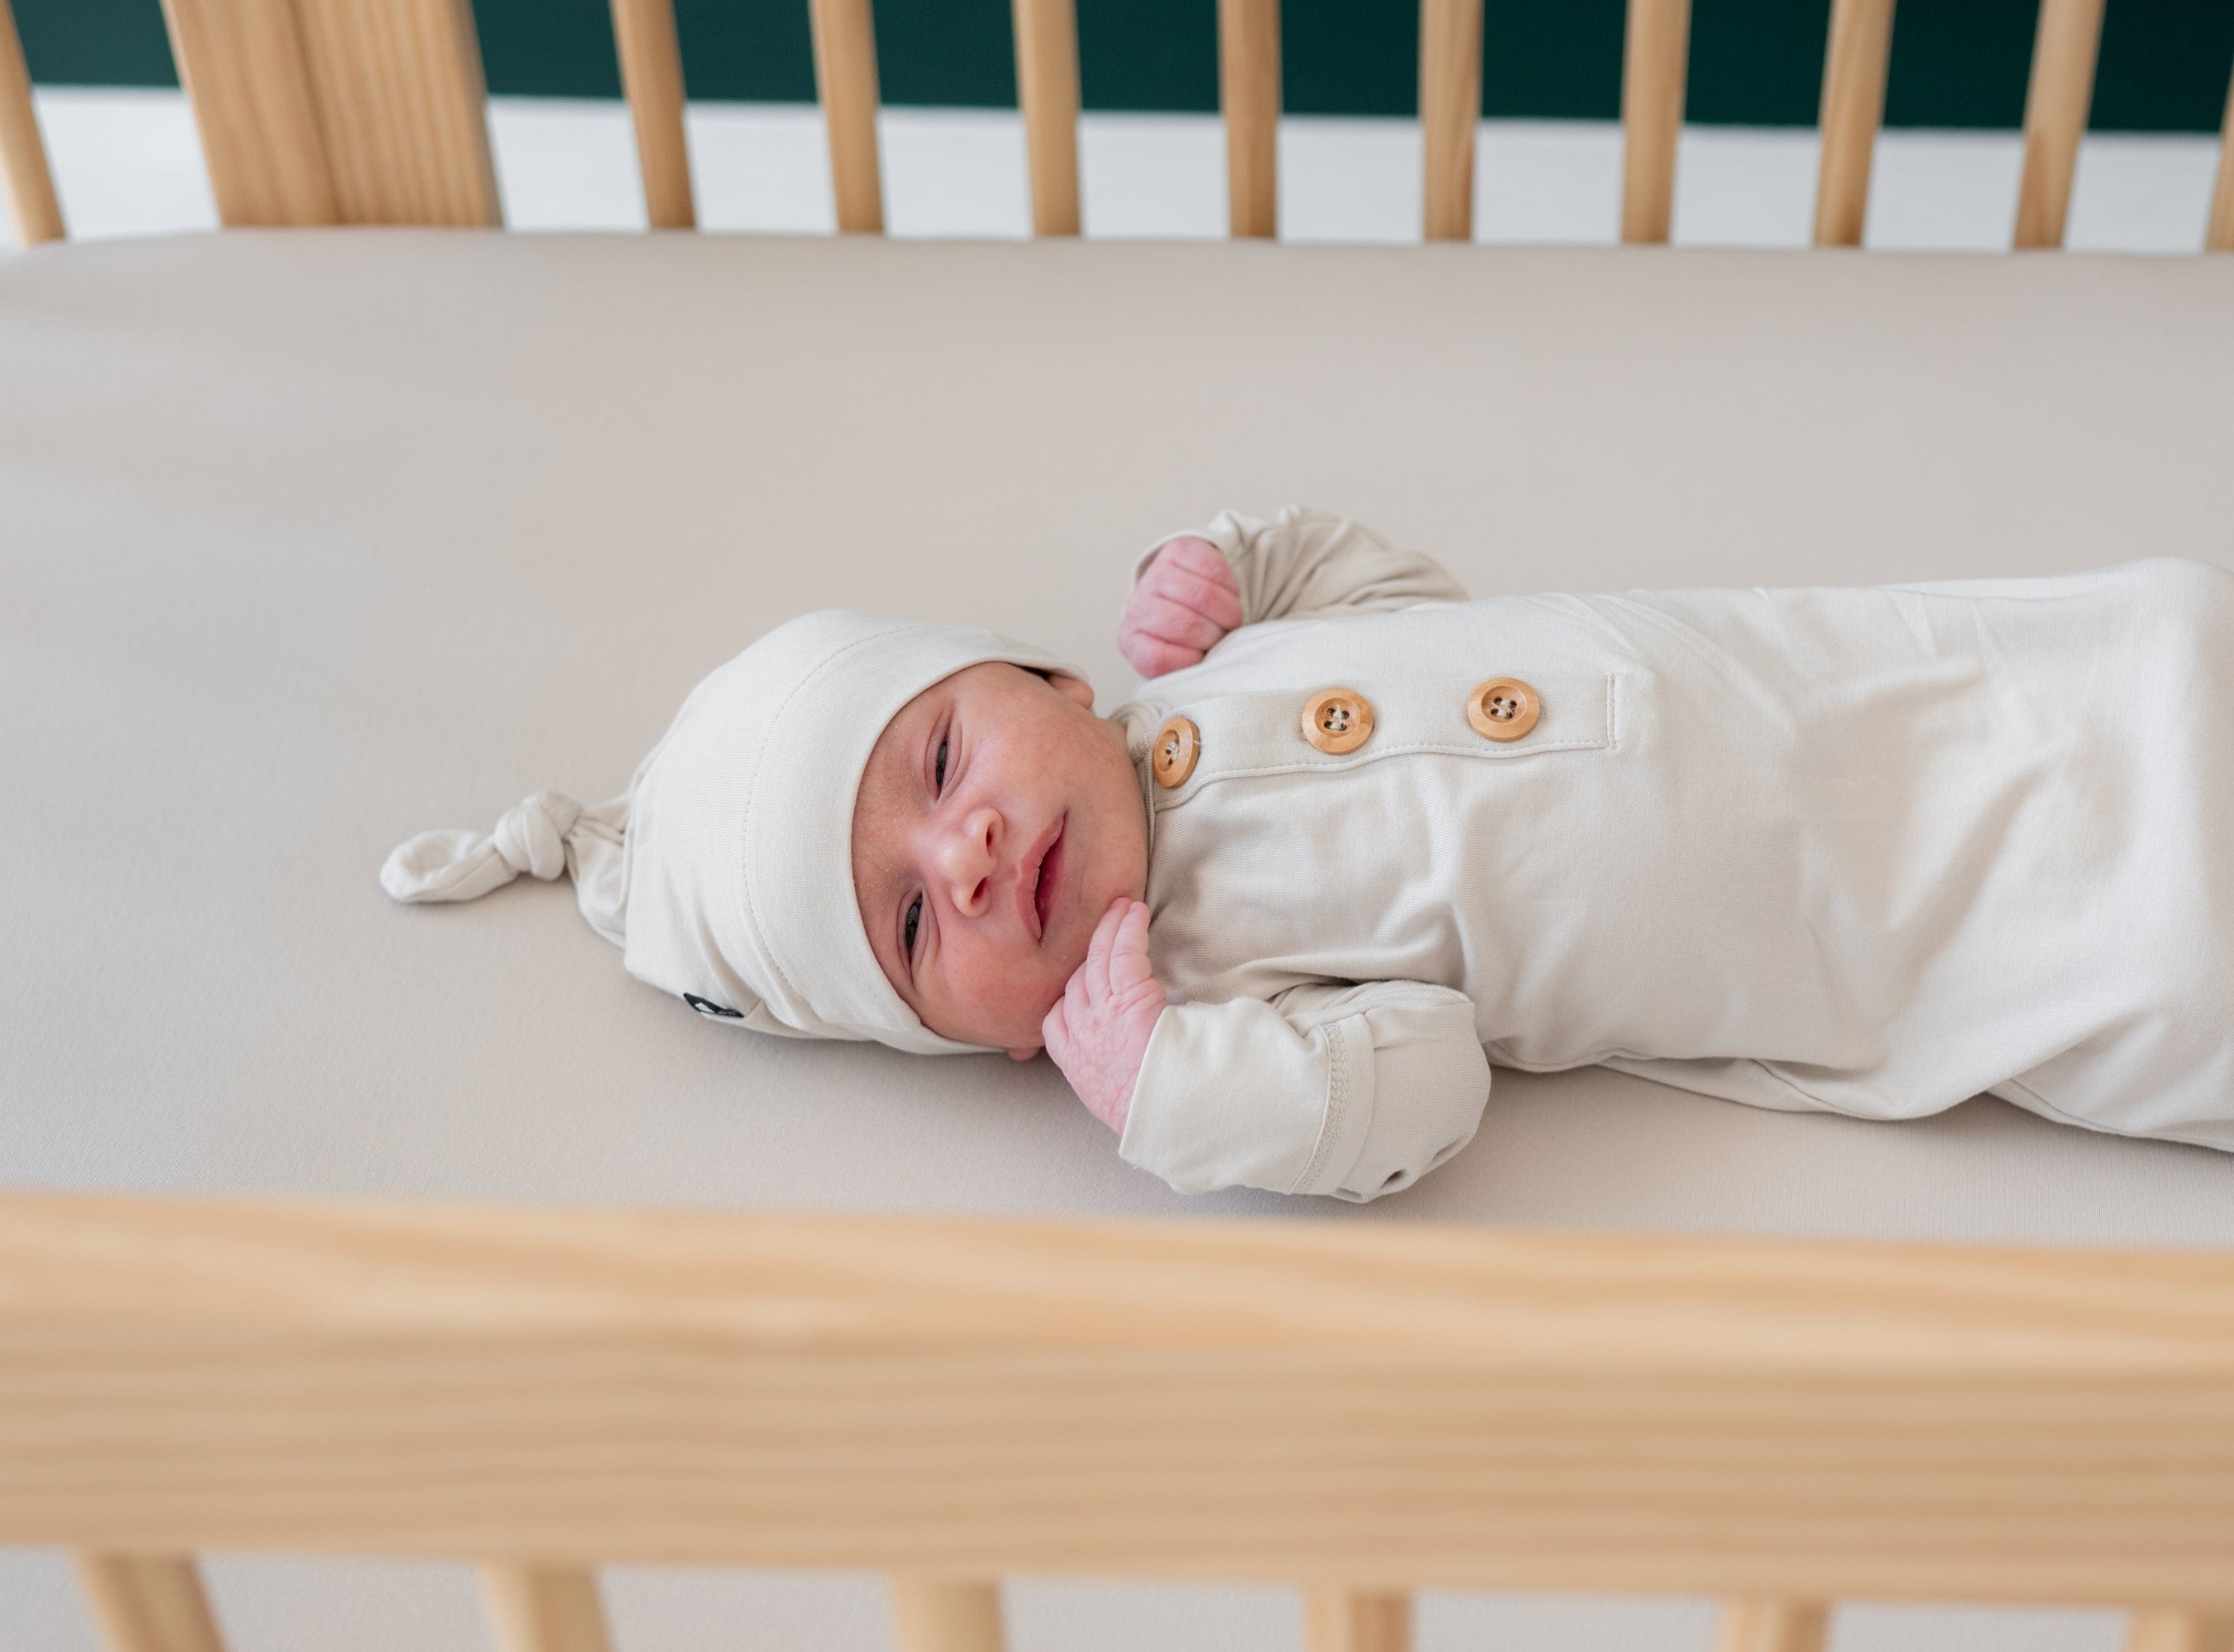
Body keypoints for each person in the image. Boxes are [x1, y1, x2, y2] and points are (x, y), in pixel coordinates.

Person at [384, 508, 2234, 1199]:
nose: (963, 854)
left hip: (1838, 687)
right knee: (2143, 945)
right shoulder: (1201, 988)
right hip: (1863, 928)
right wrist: (1173, 1091)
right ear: (960, 1037)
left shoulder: (1213, 667)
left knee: (2122, 671)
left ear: (1042, 670)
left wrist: (1259, 567)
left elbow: (1415, 600)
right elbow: (1428, 1084)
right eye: (903, 923)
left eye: (940, 756)